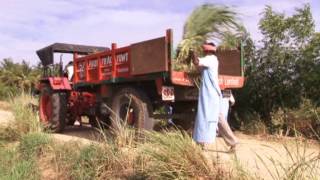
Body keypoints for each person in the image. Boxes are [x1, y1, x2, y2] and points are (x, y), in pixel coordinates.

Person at [191, 42, 221, 148]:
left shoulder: (210, 59)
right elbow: (199, 66)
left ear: (207, 51)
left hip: (210, 94)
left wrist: (193, 51)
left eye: (204, 50)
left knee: (207, 117)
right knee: (212, 118)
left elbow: (196, 61)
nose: (203, 51)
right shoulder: (212, 60)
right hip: (211, 94)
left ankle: (204, 142)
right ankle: (203, 142)